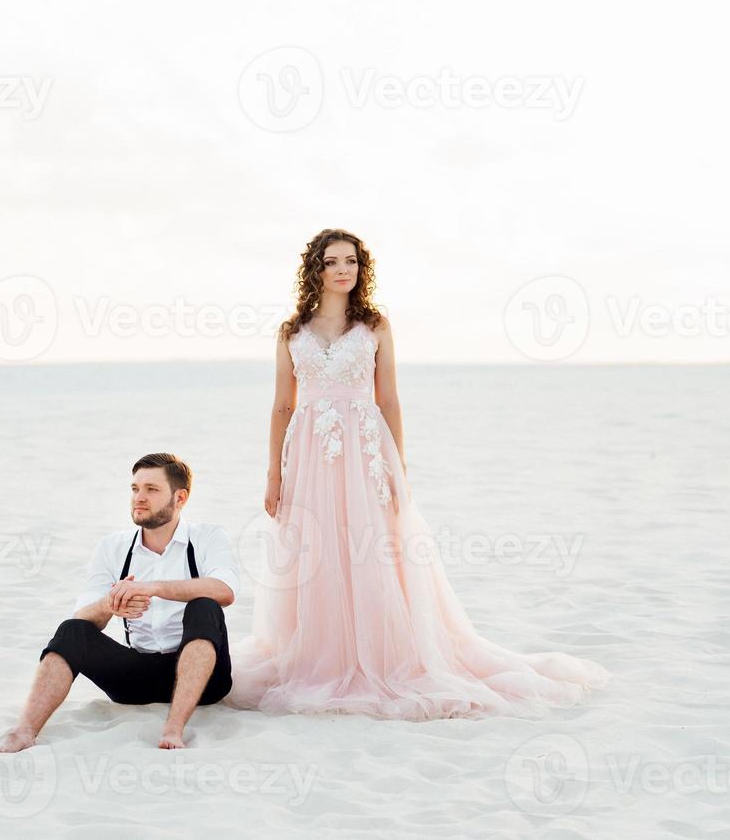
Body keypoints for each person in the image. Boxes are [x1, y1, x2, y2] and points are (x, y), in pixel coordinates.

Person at [227, 229, 610, 720]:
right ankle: (320, 654)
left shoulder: (375, 326)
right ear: (315, 270)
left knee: (370, 547)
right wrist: (272, 476)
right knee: (316, 549)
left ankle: (379, 655)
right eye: (332, 262)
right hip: (306, 452)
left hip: (364, 450)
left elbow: (387, 400)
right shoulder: (290, 332)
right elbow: (283, 404)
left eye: (351, 261)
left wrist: (397, 467)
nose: (343, 270)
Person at [0, 453, 239, 751]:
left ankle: (173, 728)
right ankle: (24, 731)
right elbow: (83, 616)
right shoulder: (113, 547)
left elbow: (224, 589)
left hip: (205, 682)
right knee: (72, 631)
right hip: (136, 679)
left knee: (205, 605)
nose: (140, 498)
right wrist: (110, 605)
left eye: (152, 489)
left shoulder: (208, 537)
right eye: (135, 489)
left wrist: (154, 588)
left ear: (180, 497)